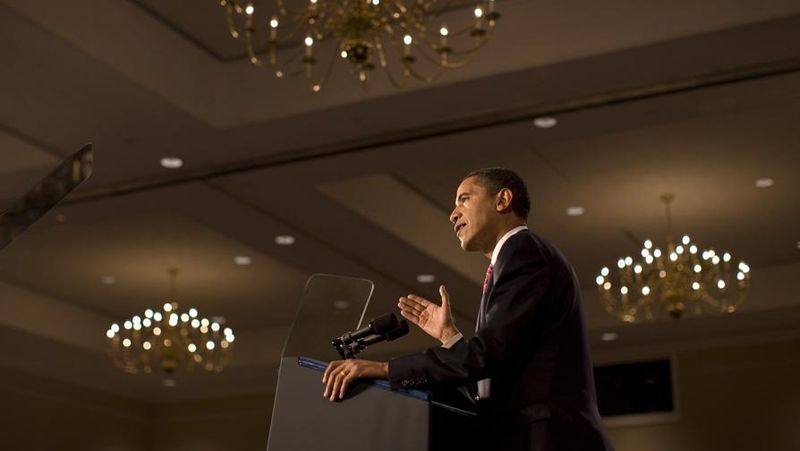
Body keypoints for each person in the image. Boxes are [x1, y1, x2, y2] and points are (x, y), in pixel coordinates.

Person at [322, 167, 613, 451]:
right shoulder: (513, 259)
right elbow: (495, 369)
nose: (453, 214)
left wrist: (386, 369)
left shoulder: (524, 252)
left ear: (502, 200)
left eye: (464, 199)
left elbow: (488, 353)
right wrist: (450, 337)